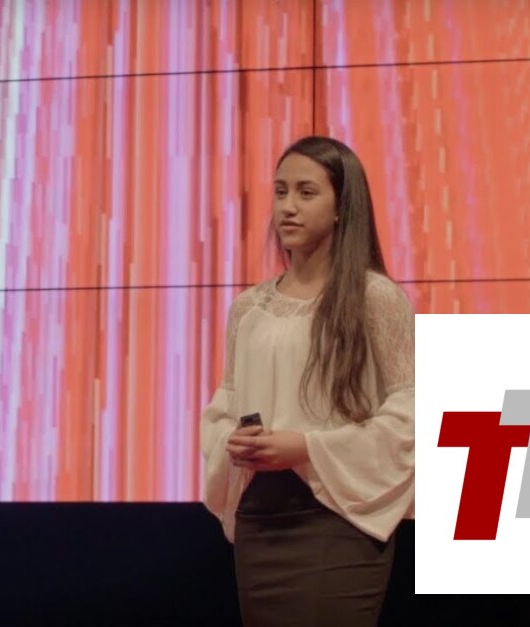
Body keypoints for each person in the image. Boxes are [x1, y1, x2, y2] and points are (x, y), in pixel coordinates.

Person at [200, 136, 415, 626]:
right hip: (260, 517)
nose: (288, 207)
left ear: (342, 206)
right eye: (280, 192)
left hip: (339, 515)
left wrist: (306, 447)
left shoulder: (375, 299)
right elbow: (225, 405)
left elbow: (411, 410)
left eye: (306, 192)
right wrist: (233, 440)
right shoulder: (249, 308)